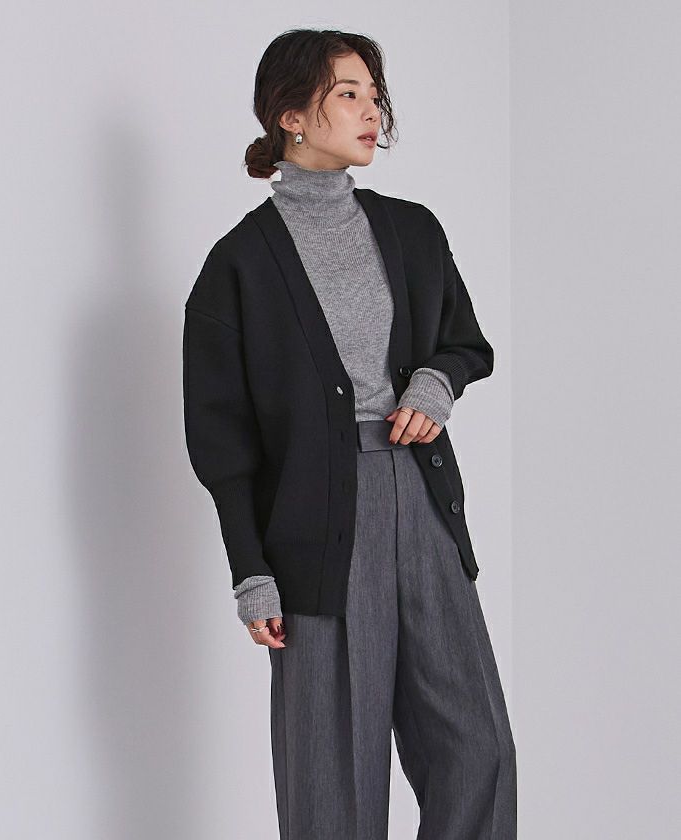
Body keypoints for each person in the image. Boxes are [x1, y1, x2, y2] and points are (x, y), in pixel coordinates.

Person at [183, 27, 517, 840]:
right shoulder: (238, 266)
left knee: (478, 749)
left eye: (375, 94)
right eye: (348, 93)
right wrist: (251, 572)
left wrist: (436, 383)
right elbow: (222, 444)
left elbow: (466, 343)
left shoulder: (413, 231)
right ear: (291, 115)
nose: (372, 110)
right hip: (315, 532)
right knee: (333, 775)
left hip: (423, 504)